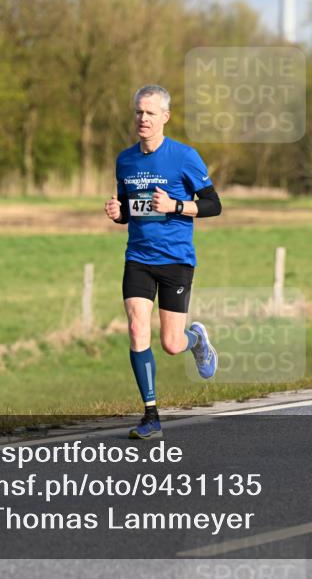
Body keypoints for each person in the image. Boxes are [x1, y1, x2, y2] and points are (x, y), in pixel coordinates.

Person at [104, 85, 222, 439]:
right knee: (137, 328)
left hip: (176, 260)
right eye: (139, 112)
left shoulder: (184, 157)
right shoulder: (125, 160)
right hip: (138, 257)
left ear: (165, 117)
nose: (143, 119)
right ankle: (151, 415)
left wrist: (176, 206)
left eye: (151, 113)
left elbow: (214, 204)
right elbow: (130, 209)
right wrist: (118, 213)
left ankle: (197, 340)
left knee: (171, 343)